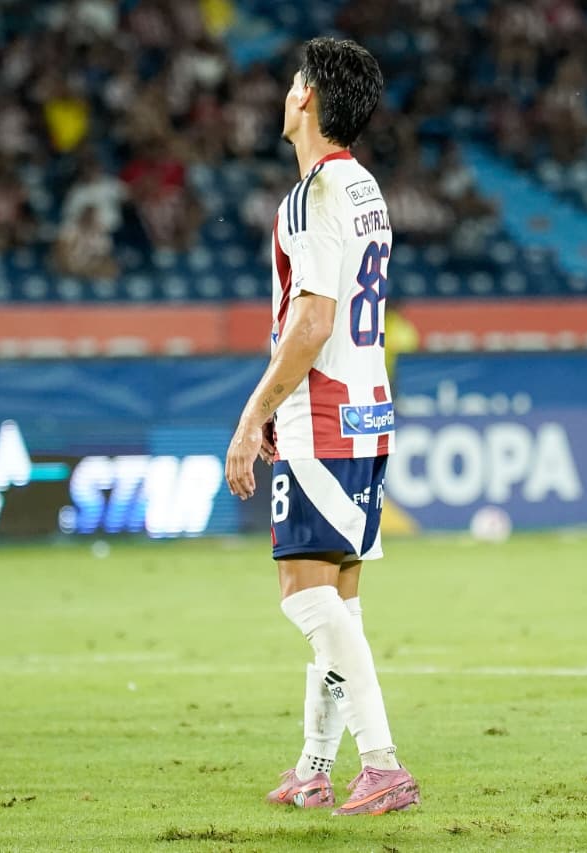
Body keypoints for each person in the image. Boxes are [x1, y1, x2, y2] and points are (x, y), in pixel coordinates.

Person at [224, 36, 419, 815]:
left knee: (306, 598)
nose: (285, 93)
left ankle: (381, 762)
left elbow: (310, 321)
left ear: (306, 99)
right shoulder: (365, 187)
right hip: (368, 414)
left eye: (292, 82)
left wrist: (255, 413)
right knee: (340, 599)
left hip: (325, 415)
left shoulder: (309, 198)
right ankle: (314, 764)